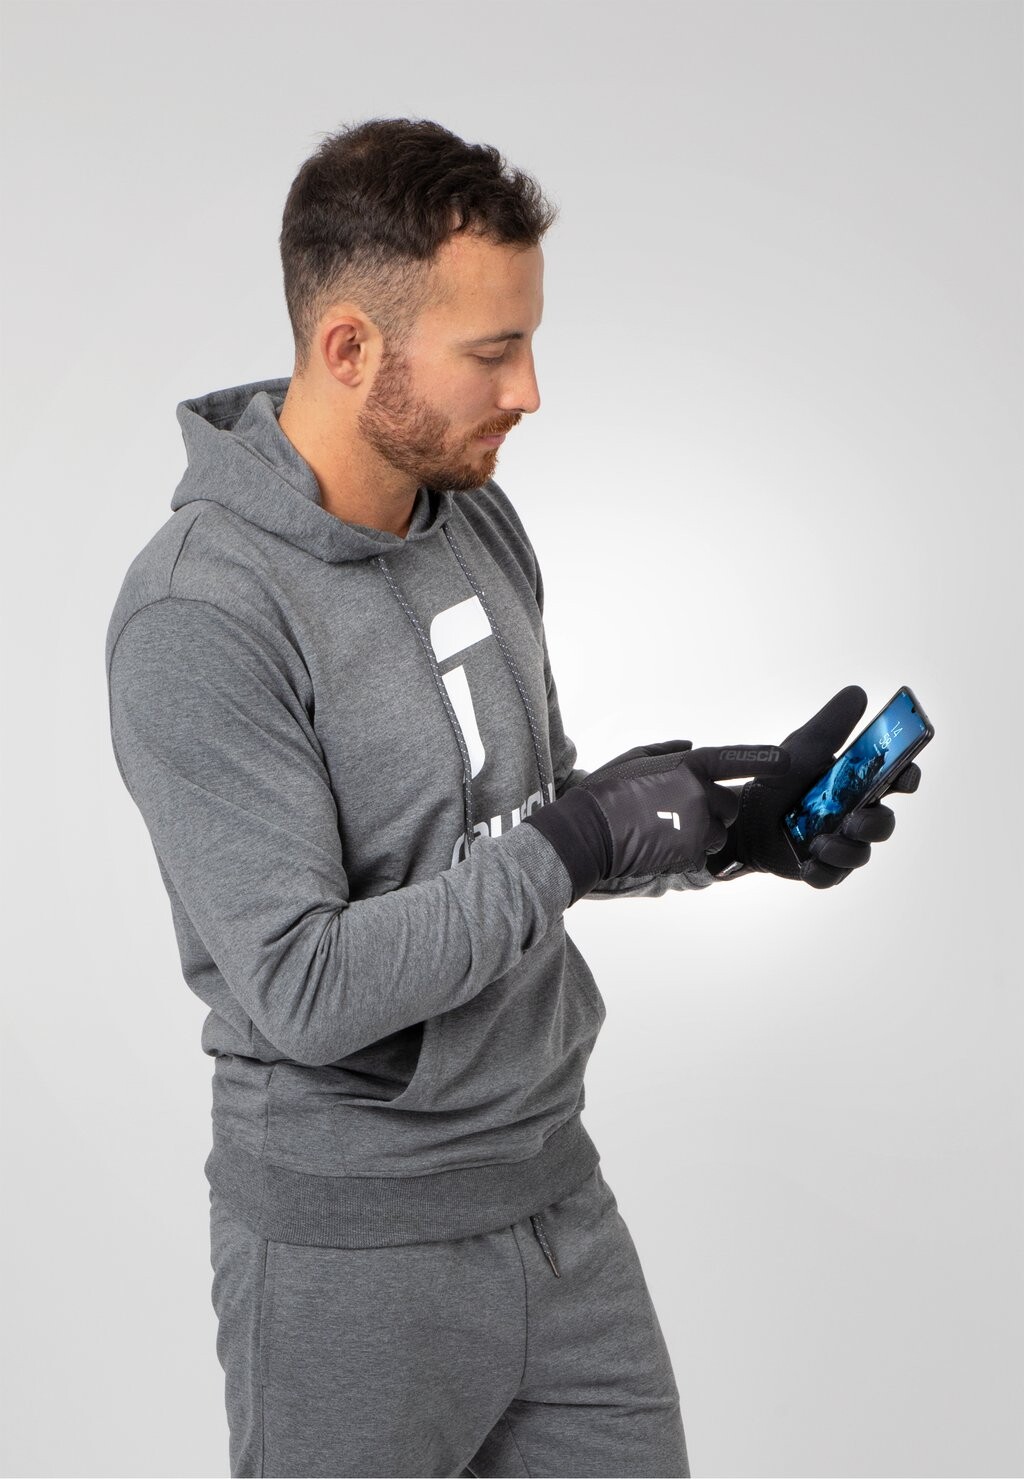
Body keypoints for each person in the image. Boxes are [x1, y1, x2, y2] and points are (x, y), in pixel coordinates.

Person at [104, 117, 922, 1479]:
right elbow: (304, 986)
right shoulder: (200, 615)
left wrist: (730, 832)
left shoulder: (471, 513)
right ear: (350, 347)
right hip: (352, 1261)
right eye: (493, 352)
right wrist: (576, 839)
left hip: (556, 1204)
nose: (529, 391)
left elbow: (514, 829)